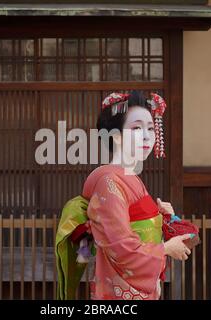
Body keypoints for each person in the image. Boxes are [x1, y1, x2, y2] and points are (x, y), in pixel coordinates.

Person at [55, 90, 198, 300]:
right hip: (121, 291)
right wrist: (166, 249)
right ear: (116, 136)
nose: (148, 135)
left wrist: (162, 215)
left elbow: (138, 222)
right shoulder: (109, 183)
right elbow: (121, 246)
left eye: (151, 128)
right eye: (137, 128)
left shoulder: (129, 177)